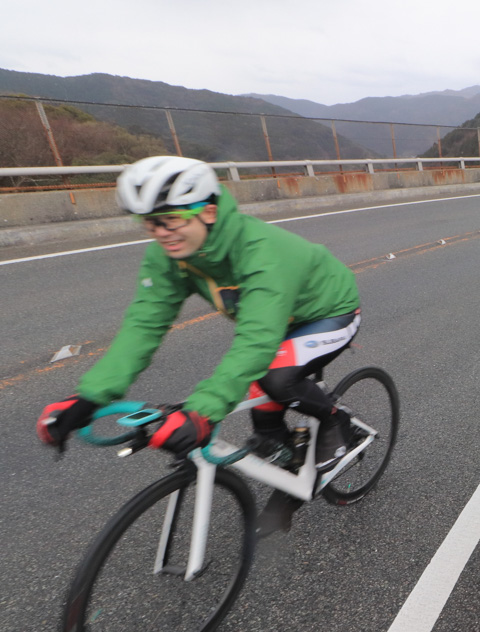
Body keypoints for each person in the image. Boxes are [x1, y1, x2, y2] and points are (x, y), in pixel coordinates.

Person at [36, 156, 362, 535]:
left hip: (329, 312)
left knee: (275, 379)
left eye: (171, 219)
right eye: (151, 222)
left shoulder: (261, 251)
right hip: (277, 323)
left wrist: (202, 412)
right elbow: (143, 327)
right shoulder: (170, 257)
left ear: (208, 212)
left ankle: (336, 420)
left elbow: (256, 342)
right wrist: (88, 398)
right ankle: (291, 471)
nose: (161, 233)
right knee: (265, 419)